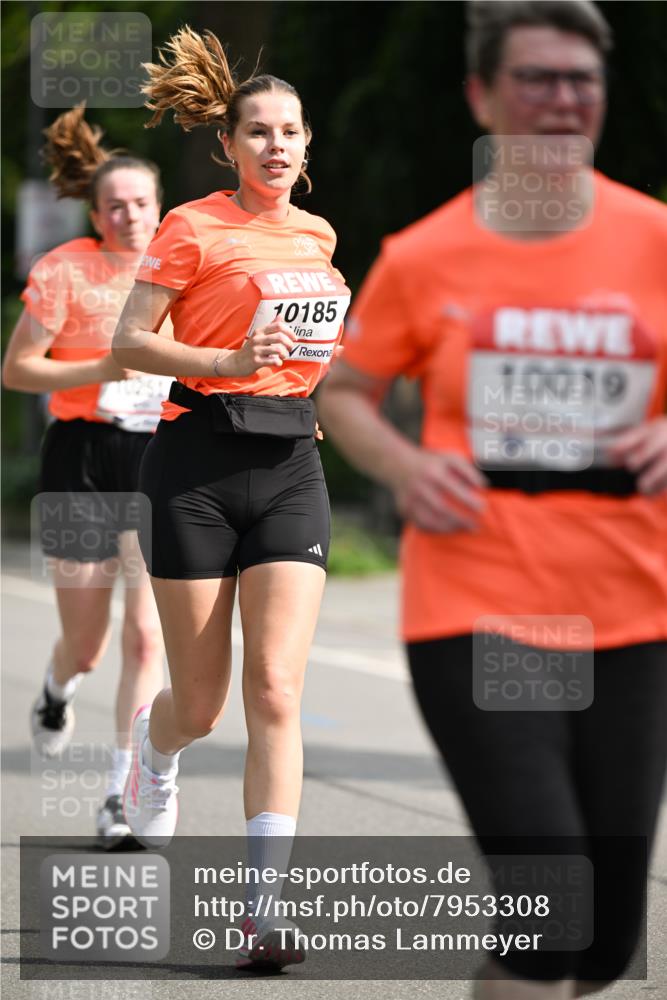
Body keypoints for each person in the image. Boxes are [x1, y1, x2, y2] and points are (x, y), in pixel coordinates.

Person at [318, 3, 667, 998]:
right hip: (480, 608)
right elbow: (342, 391)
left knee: (602, 945)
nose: (563, 100)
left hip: (634, 610)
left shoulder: (655, 241)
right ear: (481, 96)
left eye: (580, 80)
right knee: (549, 914)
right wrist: (402, 467)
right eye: (537, 79)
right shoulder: (426, 254)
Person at [111, 27, 350, 971]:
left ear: (305, 144)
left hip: (292, 462)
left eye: (290, 131)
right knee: (202, 705)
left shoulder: (318, 234)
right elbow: (133, 341)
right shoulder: (190, 226)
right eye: (258, 132)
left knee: (276, 689)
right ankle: (154, 747)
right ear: (227, 145)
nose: (277, 147)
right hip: (195, 469)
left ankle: (261, 912)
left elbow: (305, 341)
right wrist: (221, 362)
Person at [2, 104, 170, 849]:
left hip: (156, 456)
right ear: (96, 214)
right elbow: (17, 370)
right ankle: (55, 688)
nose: (131, 217)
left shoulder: (182, 267)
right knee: (90, 642)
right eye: (116, 207)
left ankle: (120, 794)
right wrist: (104, 366)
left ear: (158, 208)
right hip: (80, 457)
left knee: (143, 637)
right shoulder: (66, 268)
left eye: (142, 204)